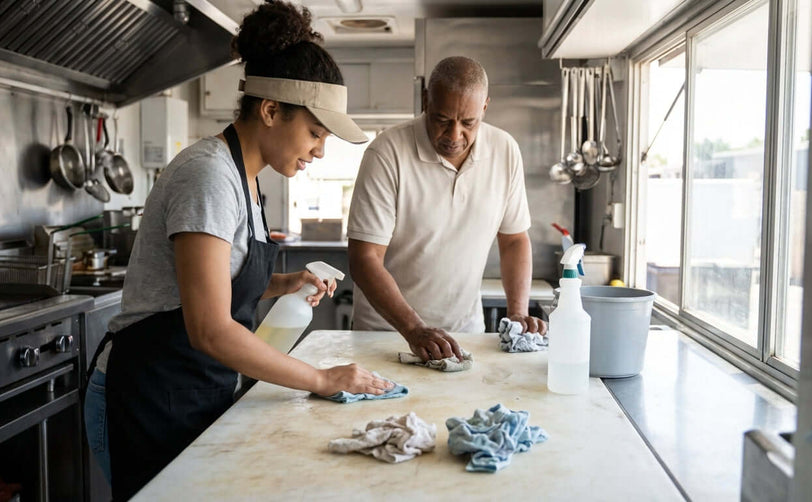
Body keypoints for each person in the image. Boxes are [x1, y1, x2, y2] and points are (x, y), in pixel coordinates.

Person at [85, 2, 393, 499]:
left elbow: (210, 282)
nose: (320, 150)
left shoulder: (245, 180)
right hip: (149, 396)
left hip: (191, 389)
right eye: (315, 132)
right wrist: (319, 378)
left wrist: (284, 283)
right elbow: (208, 326)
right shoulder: (209, 175)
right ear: (270, 111)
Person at [347, 56, 546, 362]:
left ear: (485, 107)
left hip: (465, 334)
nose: (454, 136)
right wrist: (414, 329)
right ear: (426, 100)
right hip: (386, 336)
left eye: (468, 123)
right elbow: (365, 258)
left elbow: (515, 240)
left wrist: (518, 313)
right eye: (442, 119)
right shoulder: (387, 153)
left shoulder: (505, 150)